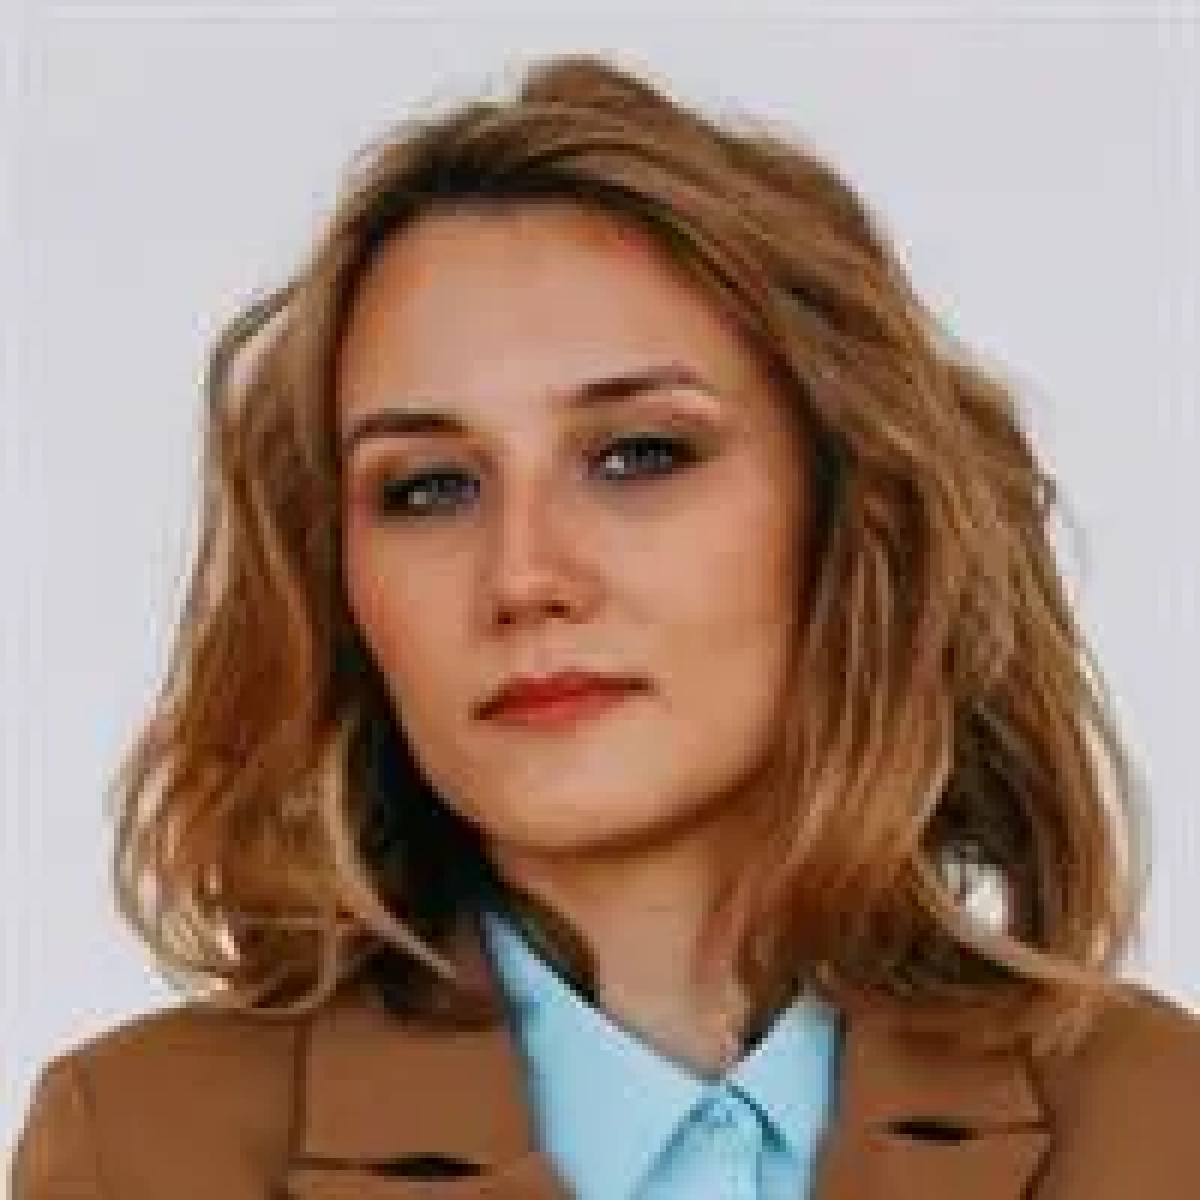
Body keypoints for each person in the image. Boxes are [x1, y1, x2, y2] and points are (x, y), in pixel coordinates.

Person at [12, 52, 1199, 1200]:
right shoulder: (147, 1152)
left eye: (639, 455)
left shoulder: (1163, 1122)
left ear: (854, 513)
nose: (524, 576)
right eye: (429, 487)